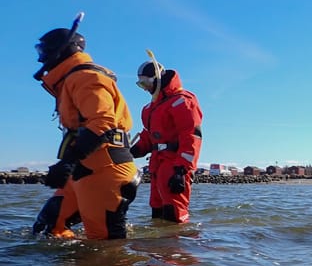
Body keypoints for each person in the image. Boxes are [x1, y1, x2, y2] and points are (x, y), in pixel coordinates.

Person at [33, 26, 140, 239]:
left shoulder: (85, 77)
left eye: (43, 52)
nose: (40, 59)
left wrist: (67, 162)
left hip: (105, 170)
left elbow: (103, 122)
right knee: (51, 225)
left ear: (61, 51)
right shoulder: (73, 79)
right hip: (84, 169)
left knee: (104, 244)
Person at [130, 58, 204, 223]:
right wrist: (132, 151)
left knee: (174, 211)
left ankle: (178, 246)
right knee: (157, 211)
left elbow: (191, 137)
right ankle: (159, 248)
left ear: (157, 78)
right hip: (157, 164)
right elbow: (149, 136)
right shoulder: (150, 109)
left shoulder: (182, 101)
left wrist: (182, 170)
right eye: (141, 85)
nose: (145, 89)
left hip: (175, 164)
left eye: (146, 84)